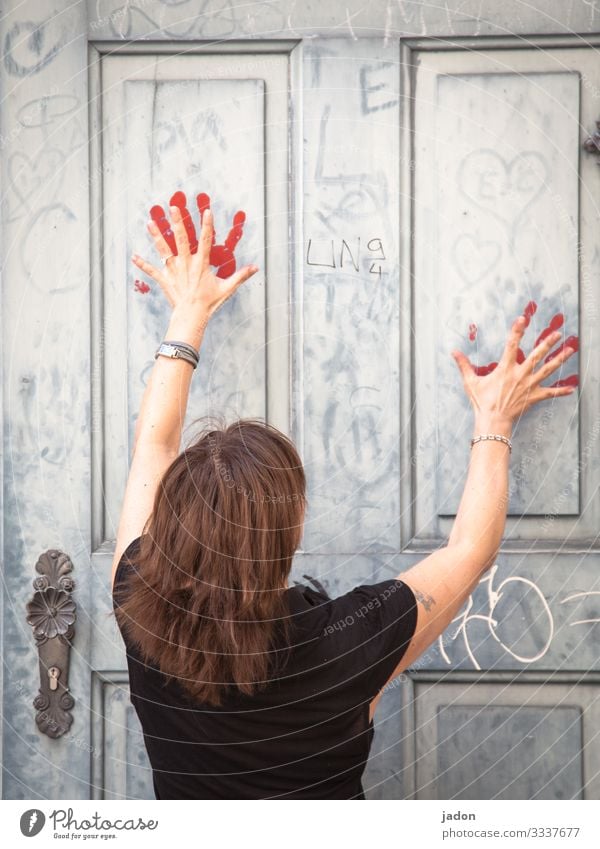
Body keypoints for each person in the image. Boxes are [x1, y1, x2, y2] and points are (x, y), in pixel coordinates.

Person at [111, 199, 577, 800]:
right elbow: (471, 548)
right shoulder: (346, 643)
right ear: (291, 531)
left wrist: (188, 314)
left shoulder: (137, 602)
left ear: (173, 523)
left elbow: (155, 443)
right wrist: (495, 419)